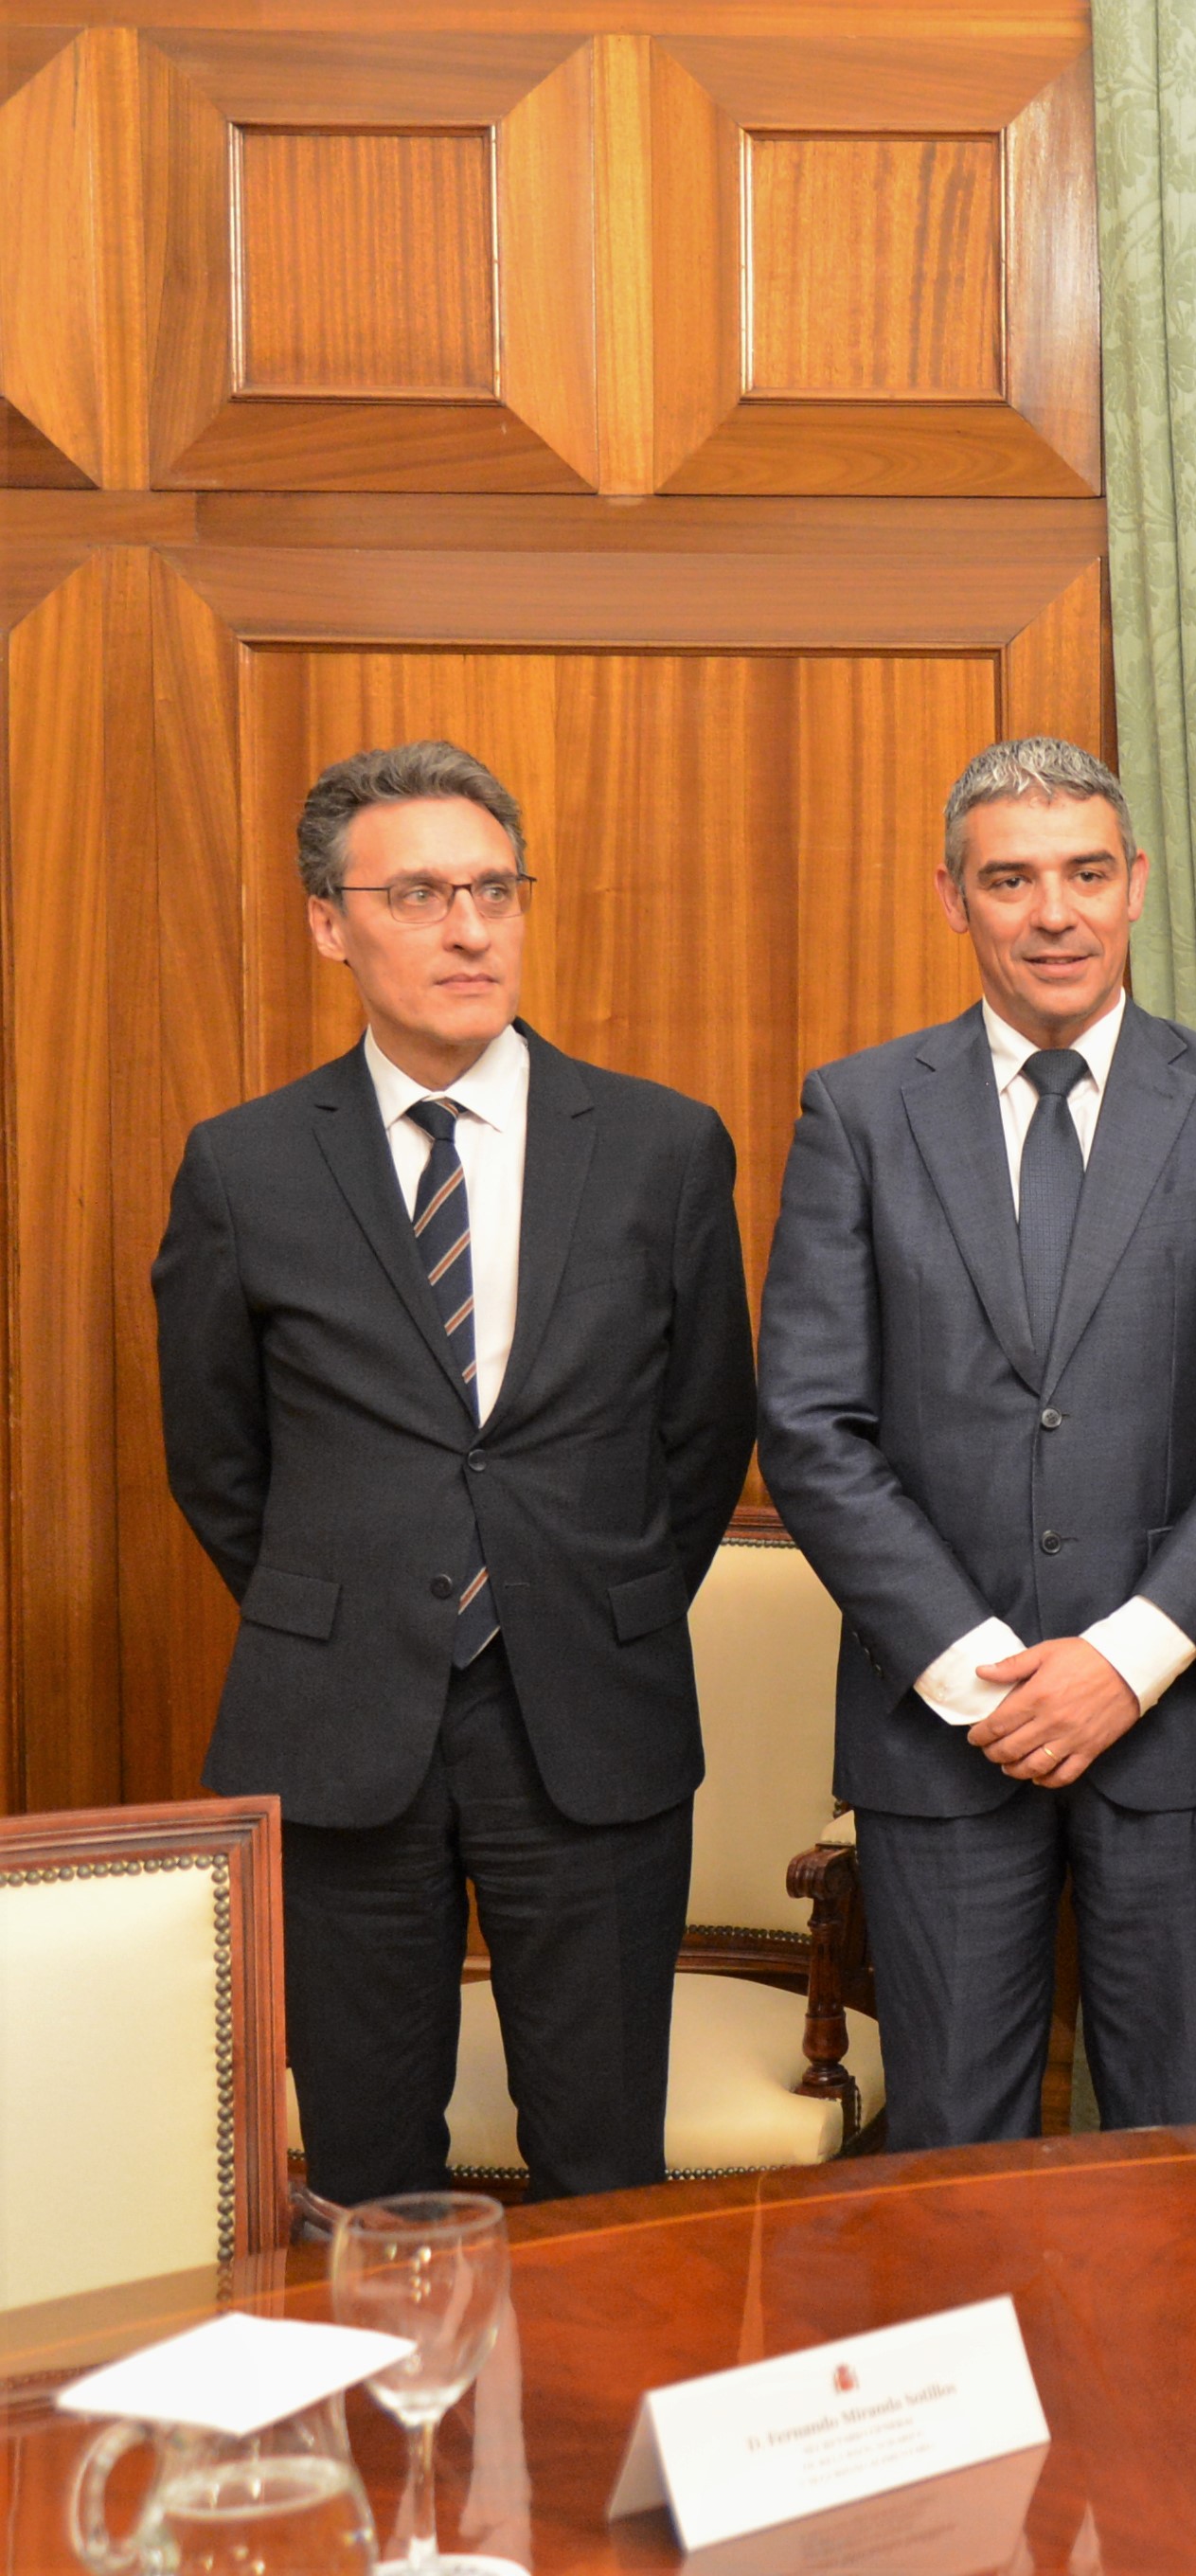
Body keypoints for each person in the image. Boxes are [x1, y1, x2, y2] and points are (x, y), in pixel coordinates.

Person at [152, 741, 758, 2202]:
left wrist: (583, 1597)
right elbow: (216, 1456)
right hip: (339, 1721)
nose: (469, 929)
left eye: (495, 889)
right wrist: (354, 1602)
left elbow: (704, 1433)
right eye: (418, 896)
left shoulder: (664, 1148)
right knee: (370, 2176)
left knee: (604, 2171)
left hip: (591, 1716)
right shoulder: (242, 1167)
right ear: (329, 922)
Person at [758, 736, 1196, 2147]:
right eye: (1010, 879)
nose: (1054, 913)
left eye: (1086, 874)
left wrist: (1123, 1661)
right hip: (942, 1727)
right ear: (951, 898)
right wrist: (984, 1679)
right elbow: (811, 1425)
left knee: (1177, 2151)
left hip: (1182, 1718)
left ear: (1135, 883)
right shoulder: (859, 1111)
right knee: (955, 2150)